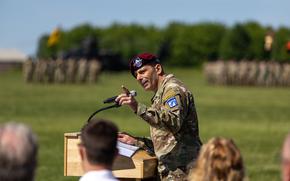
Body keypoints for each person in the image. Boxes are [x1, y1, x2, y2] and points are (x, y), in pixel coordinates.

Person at [116, 52, 202, 181]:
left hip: (185, 171)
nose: (139, 78)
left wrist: (137, 107)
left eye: (143, 71)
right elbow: (166, 141)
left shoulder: (173, 89)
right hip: (174, 171)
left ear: (158, 69)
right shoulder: (160, 95)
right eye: (136, 75)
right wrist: (135, 142)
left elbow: (173, 122)